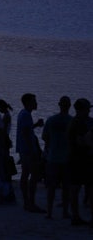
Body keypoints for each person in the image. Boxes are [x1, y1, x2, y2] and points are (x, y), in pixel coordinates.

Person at [42, 96, 73, 219]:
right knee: (66, 188)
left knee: (51, 188)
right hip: (67, 158)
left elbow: (44, 136)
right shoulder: (72, 121)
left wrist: (52, 144)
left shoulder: (51, 120)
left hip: (53, 157)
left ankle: (49, 212)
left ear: (59, 105)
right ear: (69, 106)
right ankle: (65, 212)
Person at [16, 93, 45, 213]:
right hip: (28, 150)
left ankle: (27, 202)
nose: (36, 103)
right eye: (34, 101)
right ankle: (30, 203)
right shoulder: (26, 115)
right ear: (28, 103)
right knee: (33, 176)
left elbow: (26, 129)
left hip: (24, 149)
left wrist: (36, 125)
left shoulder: (23, 114)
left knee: (25, 174)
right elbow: (26, 134)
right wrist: (32, 150)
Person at [67, 98, 92, 227]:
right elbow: (81, 142)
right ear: (81, 109)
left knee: (77, 189)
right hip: (79, 160)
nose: (89, 111)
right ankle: (76, 216)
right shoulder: (77, 123)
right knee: (76, 189)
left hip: (79, 159)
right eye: (87, 108)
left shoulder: (80, 122)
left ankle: (76, 216)